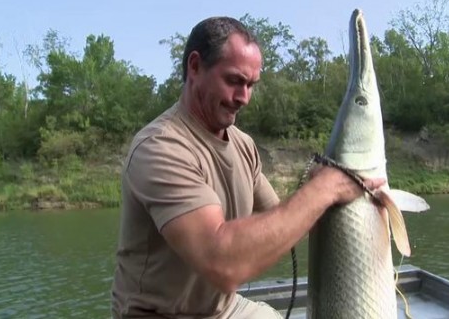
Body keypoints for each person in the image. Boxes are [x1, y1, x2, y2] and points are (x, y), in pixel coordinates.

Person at [110, 16, 386, 319]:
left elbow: (281, 219)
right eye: (234, 81)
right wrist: (323, 190)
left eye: (251, 84)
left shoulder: (242, 145)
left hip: (224, 310)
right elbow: (223, 264)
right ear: (194, 66)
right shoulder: (159, 147)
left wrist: (322, 194)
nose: (243, 97)